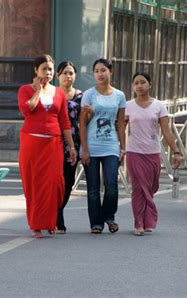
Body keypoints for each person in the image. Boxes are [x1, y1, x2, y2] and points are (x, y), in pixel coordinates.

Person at [18, 54, 76, 239]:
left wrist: (72, 147)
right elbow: (27, 109)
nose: (48, 72)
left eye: (50, 69)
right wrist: (38, 90)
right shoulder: (25, 89)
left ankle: (50, 221)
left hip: (54, 143)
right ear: (36, 70)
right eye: (44, 69)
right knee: (34, 184)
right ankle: (37, 225)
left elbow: (64, 121)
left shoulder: (58, 92)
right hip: (32, 142)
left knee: (55, 183)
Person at [125, 72, 181, 236]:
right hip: (134, 151)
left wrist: (176, 151)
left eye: (143, 82)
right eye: (136, 83)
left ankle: (147, 220)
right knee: (138, 188)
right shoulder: (128, 106)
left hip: (152, 152)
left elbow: (166, 130)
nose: (140, 86)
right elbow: (120, 127)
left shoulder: (158, 106)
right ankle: (139, 224)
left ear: (150, 84)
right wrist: (120, 147)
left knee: (150, 187)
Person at [79, 58, 126, 234]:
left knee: (111, 185)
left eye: (103, 70)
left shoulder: (119, 96)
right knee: (93, 188)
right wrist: (84, 149)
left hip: (111, 146)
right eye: (97, 71)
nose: (100, 74)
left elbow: (121, 124)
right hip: (91, 145)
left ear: (110, 72)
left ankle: (108, 215)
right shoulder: (89, 95)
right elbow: (82, 124)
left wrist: (123, 148)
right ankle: (96, 223)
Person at [55, 61, 89, 234]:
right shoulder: (52, 94)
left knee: (68, 181)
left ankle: (58, 211)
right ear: (58, 75)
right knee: (55, 181)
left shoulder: (81, 96)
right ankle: (57, 217)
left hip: (73, 144)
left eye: (71, 73)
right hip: (53, 142)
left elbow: (86, 121)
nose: (68, 76)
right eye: (65, 73)